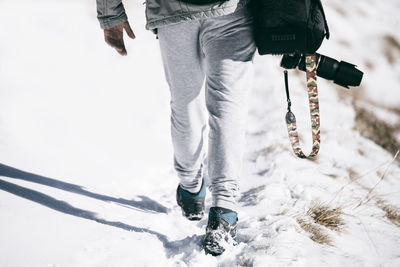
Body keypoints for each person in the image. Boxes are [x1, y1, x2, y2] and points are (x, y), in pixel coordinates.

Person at [96, 0, 256, 256]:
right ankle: (223, 211)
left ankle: (191, 189)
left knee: (185, 104)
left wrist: (110, 14)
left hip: (172, 11)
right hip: (231, 11)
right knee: (227, 107)